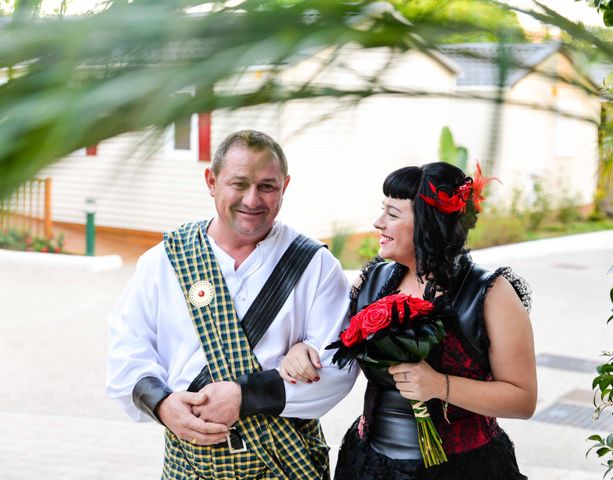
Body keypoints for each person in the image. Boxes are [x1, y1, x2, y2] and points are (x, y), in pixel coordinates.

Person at [106, 130, 358, 479]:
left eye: (267, 186)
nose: (252, 200)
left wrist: (245, 396)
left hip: (285, 463)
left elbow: (337, 369)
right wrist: (162, 405)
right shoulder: (164, 260)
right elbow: (127, 351)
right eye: (238, 184)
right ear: (212, 181)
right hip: (190, 463)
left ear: (284, 186)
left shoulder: (314, 265)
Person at [280, 161, 537, 479]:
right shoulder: (373, 281)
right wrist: (301, 348)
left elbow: (523, 400)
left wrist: (439, 385)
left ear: (428, 225)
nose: (378, 222)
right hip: (370, 464)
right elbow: (327, 338)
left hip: (464, 468)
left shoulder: (491, 293)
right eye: (382, 210)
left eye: (392, 214)